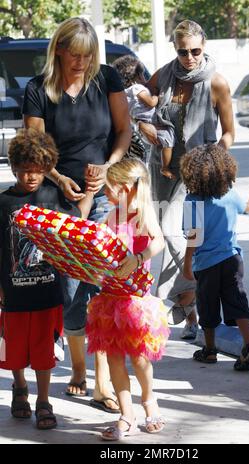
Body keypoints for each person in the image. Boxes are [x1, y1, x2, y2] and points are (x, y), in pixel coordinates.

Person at [22, 17, 132, 411]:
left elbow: (123, 131)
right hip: (57, 199)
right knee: (69, 287)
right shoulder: (38, 89)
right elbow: (34, 143)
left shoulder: (107, 79)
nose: (82, 63)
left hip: (101, 194)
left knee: (101, 284)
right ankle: (79, 367)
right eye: (76, 55)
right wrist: (56, 176)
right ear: (60, 50)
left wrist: (108, 165)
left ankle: (103, 379)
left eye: (88, 56)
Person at [139, 20, 235, 340]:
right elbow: (140, 103)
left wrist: (215, 161)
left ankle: (192, 289)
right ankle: (191, 310)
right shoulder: (164, 75)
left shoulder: (216, 82)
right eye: (183, 51)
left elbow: (229, 132)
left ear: (204, 46)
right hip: (162, 168)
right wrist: (145, 128)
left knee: (181, 233)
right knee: (166, 234)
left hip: (196, 173)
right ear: (175, 49)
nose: (190, 57)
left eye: (195, 51)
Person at [0, 128, 94, 430]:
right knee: (12, 351)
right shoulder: (2, 203)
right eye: (26, 171)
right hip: (12, 295)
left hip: (48, 293)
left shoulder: (52, 197)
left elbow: (76, 221)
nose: (31, 177)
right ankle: (20, 389)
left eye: (38, 171)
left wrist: (91, 192)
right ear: (14, 168)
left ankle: (43, 400)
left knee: (44, 353)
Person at [86, 158, 169, 440]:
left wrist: (139, 258)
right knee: (114, 360)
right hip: (110, 298)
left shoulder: (143, 215)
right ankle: (127, 415)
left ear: (128, 189)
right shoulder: (111, 216)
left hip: (135, 301)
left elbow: (159, 241)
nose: (106, 194)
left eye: (110, 189)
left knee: (140, 359)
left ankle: (149, 402)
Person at [180, 144, 249, 370]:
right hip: (233, 260)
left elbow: (193, 237)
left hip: (206, 265)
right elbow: (246, 208)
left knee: (208, 305)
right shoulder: (230, 194)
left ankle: (210, 350)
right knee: (238, 301)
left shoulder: (192, 201)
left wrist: (187, 264)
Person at [113, 55, 176, 179]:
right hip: (149, 122)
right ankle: (165, 167)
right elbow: (151, 103)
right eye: (142, 75)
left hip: (140, 128)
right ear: (137, 77)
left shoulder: (125, 93)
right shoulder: (138, 88)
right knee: (169, 136)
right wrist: (157, 96)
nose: (145, 78)